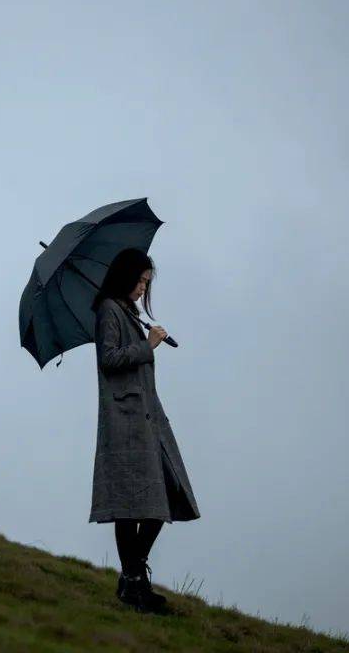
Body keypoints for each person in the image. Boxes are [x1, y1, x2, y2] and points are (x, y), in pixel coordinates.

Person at [88, 247, 201, 614]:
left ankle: (132, 577)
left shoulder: (127, 312)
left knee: (160, 501)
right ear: (125, 277)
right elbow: (108, 359)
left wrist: (144, 340)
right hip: (125, 422)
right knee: (129, 506)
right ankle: (135, 583)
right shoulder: (108, 310)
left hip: (148, 418)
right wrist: (146, 346)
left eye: (146, 283)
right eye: (139, 281)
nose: (142, 288)